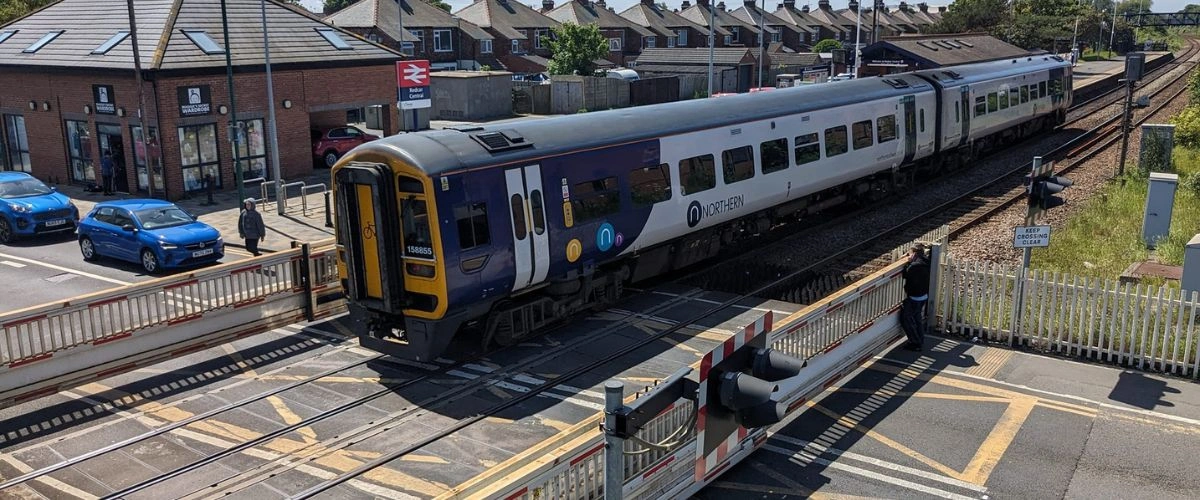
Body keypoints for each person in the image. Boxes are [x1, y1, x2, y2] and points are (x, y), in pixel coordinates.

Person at [901, 244, 931, 351]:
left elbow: (905, 274)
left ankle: (915, 342)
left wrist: (908, 262)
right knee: (917, 318)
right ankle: (920, 339)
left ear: (914, 254)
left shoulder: (914, 266)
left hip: (914, 297)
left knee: (907, 319)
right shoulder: (926, 262)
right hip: (924, 296)